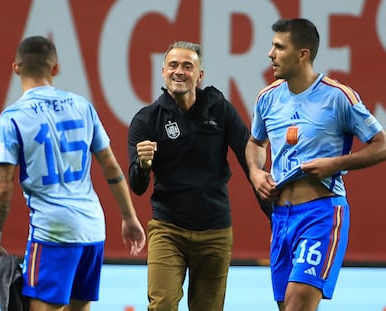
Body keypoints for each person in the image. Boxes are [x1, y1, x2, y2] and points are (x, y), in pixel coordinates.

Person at [0, 35, 146, 311]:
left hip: (52, 232)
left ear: (16, 68)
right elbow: (110, 166)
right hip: (93, 227)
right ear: (56, 68)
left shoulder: (12, 117)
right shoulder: (82, 106)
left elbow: (3, 186)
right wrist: (129, 217)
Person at [246, 18, 386, 311]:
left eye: (279, 47)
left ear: (302, 54)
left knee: (298, 306)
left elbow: (381, 144)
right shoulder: (267, 98)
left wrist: (335, 163)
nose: (271, 54)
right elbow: (256, 143)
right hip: (281, 218)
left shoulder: (339, 96)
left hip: (320, 214)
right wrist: (256, 172)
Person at [128, 41, 268, 311]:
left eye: (187, 66)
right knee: (162, 306)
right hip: (168, 229)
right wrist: (144, 165)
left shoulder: (220, 109)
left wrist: (274, 217)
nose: (179, 71)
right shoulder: (146, 120)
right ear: (163, 72)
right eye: (173, 65)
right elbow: (137, 186)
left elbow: (250, 163)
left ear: (199, 75)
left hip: (215, 231)